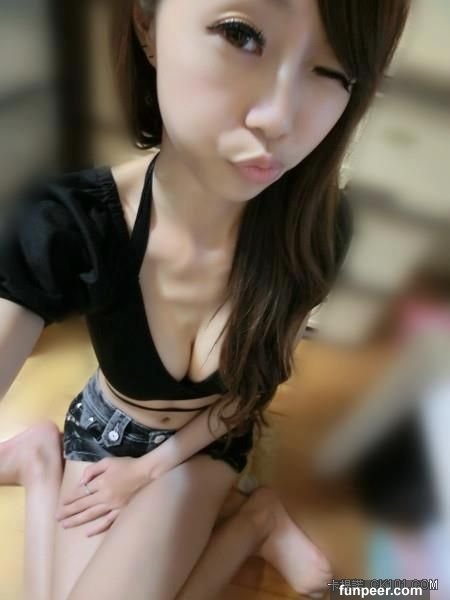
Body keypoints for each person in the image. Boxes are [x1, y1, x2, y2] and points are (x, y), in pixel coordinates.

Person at [0, 1, 410, 598]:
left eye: (333, 73)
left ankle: (250, 518)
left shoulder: (315, 236)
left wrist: (148, 471)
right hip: (104, 433)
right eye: (240, 34)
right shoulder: (72, 225)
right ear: (147, 24)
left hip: (205, 445)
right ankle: (45, 462)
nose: (279, 119)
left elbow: (249, 392)